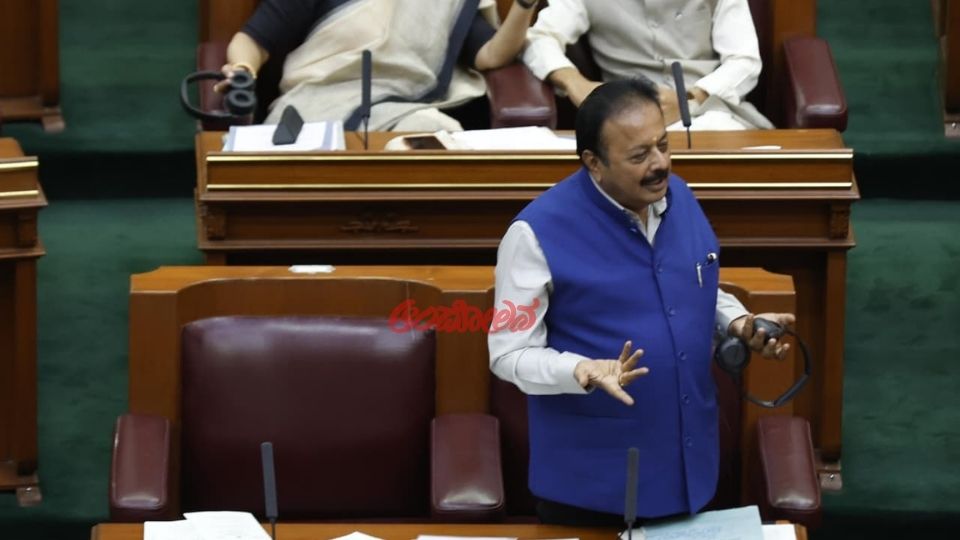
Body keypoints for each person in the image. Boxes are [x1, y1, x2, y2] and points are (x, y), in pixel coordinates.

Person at [488, 78, 793, 525]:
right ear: (594, 163)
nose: (660, 164)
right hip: (595, 488)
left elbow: (691, 284)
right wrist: (579, 370)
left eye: (663, 145)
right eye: (639, 156)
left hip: (691, 469)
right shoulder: (535, 233)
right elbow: (508, 353)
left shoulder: (679, 197)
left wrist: (736, 322)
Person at [216, 0, 537, 130]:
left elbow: (490, 54)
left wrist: (524, 6)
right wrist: (243, 68)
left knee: (436, 133)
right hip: (314, 101)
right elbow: (251, 41)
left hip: (400, 108)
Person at [521, 0, 774, 130]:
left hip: (711, 112)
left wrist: (690, 98)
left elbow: (744, 60)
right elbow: (539, 38)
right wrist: (574, 83)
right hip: (627, 119)